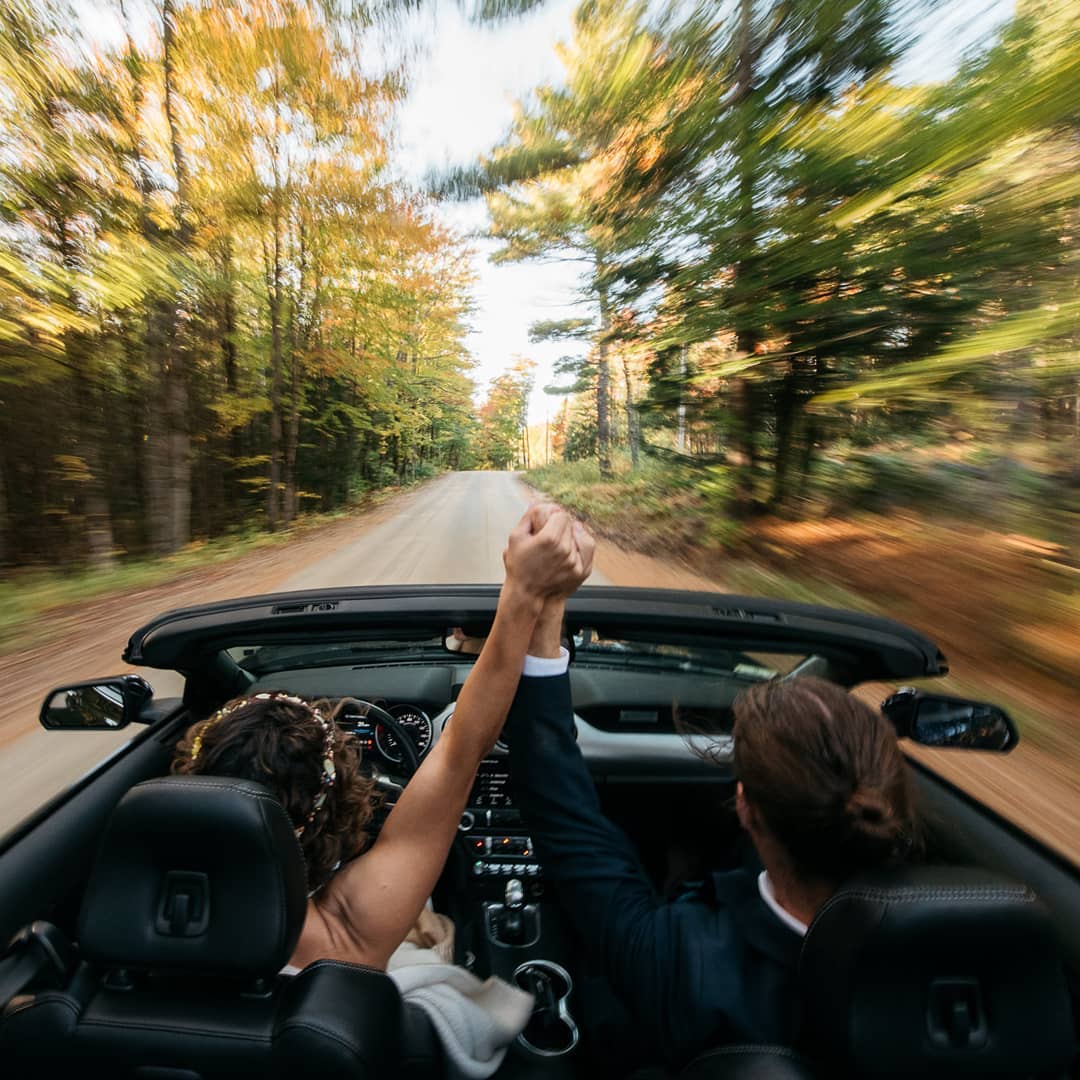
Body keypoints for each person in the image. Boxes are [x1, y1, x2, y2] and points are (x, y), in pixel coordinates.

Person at [504, 575, 922, 1071]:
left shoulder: (685, 963)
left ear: (744, 805)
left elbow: (562, 809)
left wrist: (546, 604)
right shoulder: (951, 945)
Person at [172, 504, 591, 974]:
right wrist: (528, 591)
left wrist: (527, 591)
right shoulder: (342, 935)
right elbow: (460, 750)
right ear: (331, 815)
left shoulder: (136, 901)